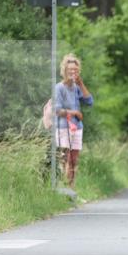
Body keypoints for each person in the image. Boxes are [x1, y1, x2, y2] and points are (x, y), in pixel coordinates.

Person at [54, 53, 93, 189]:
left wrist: (81, 83)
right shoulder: (59, 88)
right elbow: (57, 110)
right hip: (63, 127)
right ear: (64, 70)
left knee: (74, 160)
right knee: (65, 159)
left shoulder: (76, 88)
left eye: (75, 70)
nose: (73, 72)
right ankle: (63, 188)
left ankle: (71, 189)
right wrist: (74, 112)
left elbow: (89, 101)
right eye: (70, 69)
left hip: (77, 127)